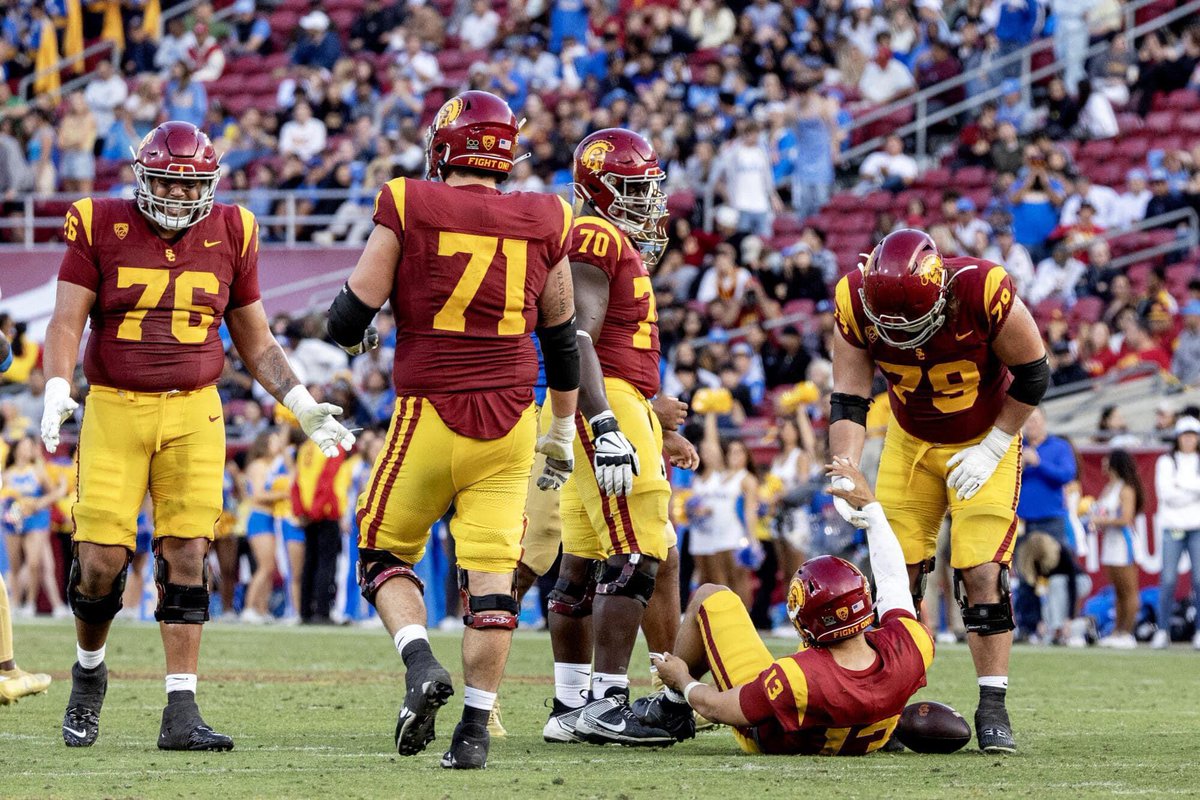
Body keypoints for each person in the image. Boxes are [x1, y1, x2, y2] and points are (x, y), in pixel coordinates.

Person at [41, 121, 354, 751]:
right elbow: (65, 321)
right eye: (166, 185)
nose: (180, 200)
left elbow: (256, 339)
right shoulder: (99, 222)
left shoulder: (234, 229)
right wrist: (55, 384)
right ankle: (90, 671)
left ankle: (180, 707)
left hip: (194, 409)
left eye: (191, 188)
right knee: (100, 560)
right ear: (142, 178)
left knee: (188, 553)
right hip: (115, 405)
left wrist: (300, 401)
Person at [324, 91, 593, 770]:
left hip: (429, 412)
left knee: (382, 554)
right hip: (510, 422)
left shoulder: (410, 201)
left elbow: (347, 318)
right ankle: (473, 732)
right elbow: (562, 340)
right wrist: (561, 429)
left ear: (446, 148)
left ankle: (419, 663)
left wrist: (367, 330)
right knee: (492, 587)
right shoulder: (546, 215)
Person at [830, 228, 1048, 753]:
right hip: (909, 443)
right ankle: (888, 704)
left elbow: (1035, 374)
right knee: (895, 573)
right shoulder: (853, 299)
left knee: (980, 570)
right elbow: (849, 398)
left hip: (986, 435)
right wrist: (844, 469)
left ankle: (992, 705)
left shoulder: (981, 288)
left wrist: (995, 446)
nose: (903, 336)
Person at [512, 129, 698, 746]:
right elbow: (579, 338)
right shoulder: (596, 234)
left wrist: (644, 415)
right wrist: (610, 421)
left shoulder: (607, 239)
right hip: (603, 401)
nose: (649, 199)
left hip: (610, 400)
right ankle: (607, 702)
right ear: (600, 189)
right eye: (637, 187)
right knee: (640, 552)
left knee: (583, 562)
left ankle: (570, 705)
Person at [643, 457, 933, 753]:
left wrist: (682, 679)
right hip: (857, 728)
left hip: (768, 736)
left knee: (710, 594)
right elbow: (893, 579)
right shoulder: (913, 642)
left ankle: (671, 707)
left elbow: (714, 707)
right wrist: (871, 507)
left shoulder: (798, 675)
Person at [0, 330, 52, 704]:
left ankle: (6, 665)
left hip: (31, 515)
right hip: (14, 514)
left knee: (16, 574)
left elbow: (4, 358)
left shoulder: (33, 465)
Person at [1152, 415, 1200, 650]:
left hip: (1197, 528)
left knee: (1199, 580)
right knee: (1168, 580)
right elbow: (1166, 494)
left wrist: (1182, 485)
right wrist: (1194, 490)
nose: (1189, 440)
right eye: (1185, 436)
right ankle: (1162, 630)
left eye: (1193, 436)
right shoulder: (1166, 462)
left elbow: (1175, 491)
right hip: (1173, 527)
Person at [1089, 450, 1145, 649]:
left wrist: (1101, 520)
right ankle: (1116, 632)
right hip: (1110, 543)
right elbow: (1102, 512)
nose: (1103, 462)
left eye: (1107, 460)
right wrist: (1096, 521)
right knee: (1118, 591)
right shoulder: (1109, 488)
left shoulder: (1126, 489)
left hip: (1123, 543)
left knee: (1129, 590)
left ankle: (1128, 632)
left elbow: (1125, 519)